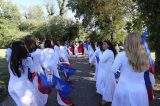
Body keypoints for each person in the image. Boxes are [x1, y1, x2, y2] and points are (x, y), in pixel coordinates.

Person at [112, 32, 149, 106]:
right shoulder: (144, 55)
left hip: (124, 89)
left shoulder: (121, 55)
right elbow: (145, 69)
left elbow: (113, 69)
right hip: (140, 90)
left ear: (127, 42)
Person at [8, 41, 41, 106]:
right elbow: (33, 70)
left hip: (11, 86)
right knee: (32, 104)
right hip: (23, 87)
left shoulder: (11, 62)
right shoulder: (27, 60)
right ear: (22, 49)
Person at [24, 35, 48, 105]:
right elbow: (44, 64)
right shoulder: (38, 51)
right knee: (40, 88)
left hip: (30, 74)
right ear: (33, 42)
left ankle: (38, 102)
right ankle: (41, 102)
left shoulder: (25, 52)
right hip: (37, 72)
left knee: (35, 89)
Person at [96, 40, 116, 106]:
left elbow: (101, 60)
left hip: (107, 72)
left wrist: (99, 52)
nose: (103, 45)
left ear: (108, 45)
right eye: (103, 44)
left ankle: (105, 101)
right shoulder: (107, 52)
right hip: (106, 72)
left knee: (107, 86)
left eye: (104, 44)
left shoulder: (109, 52)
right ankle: (106, 100)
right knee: (106, 86)